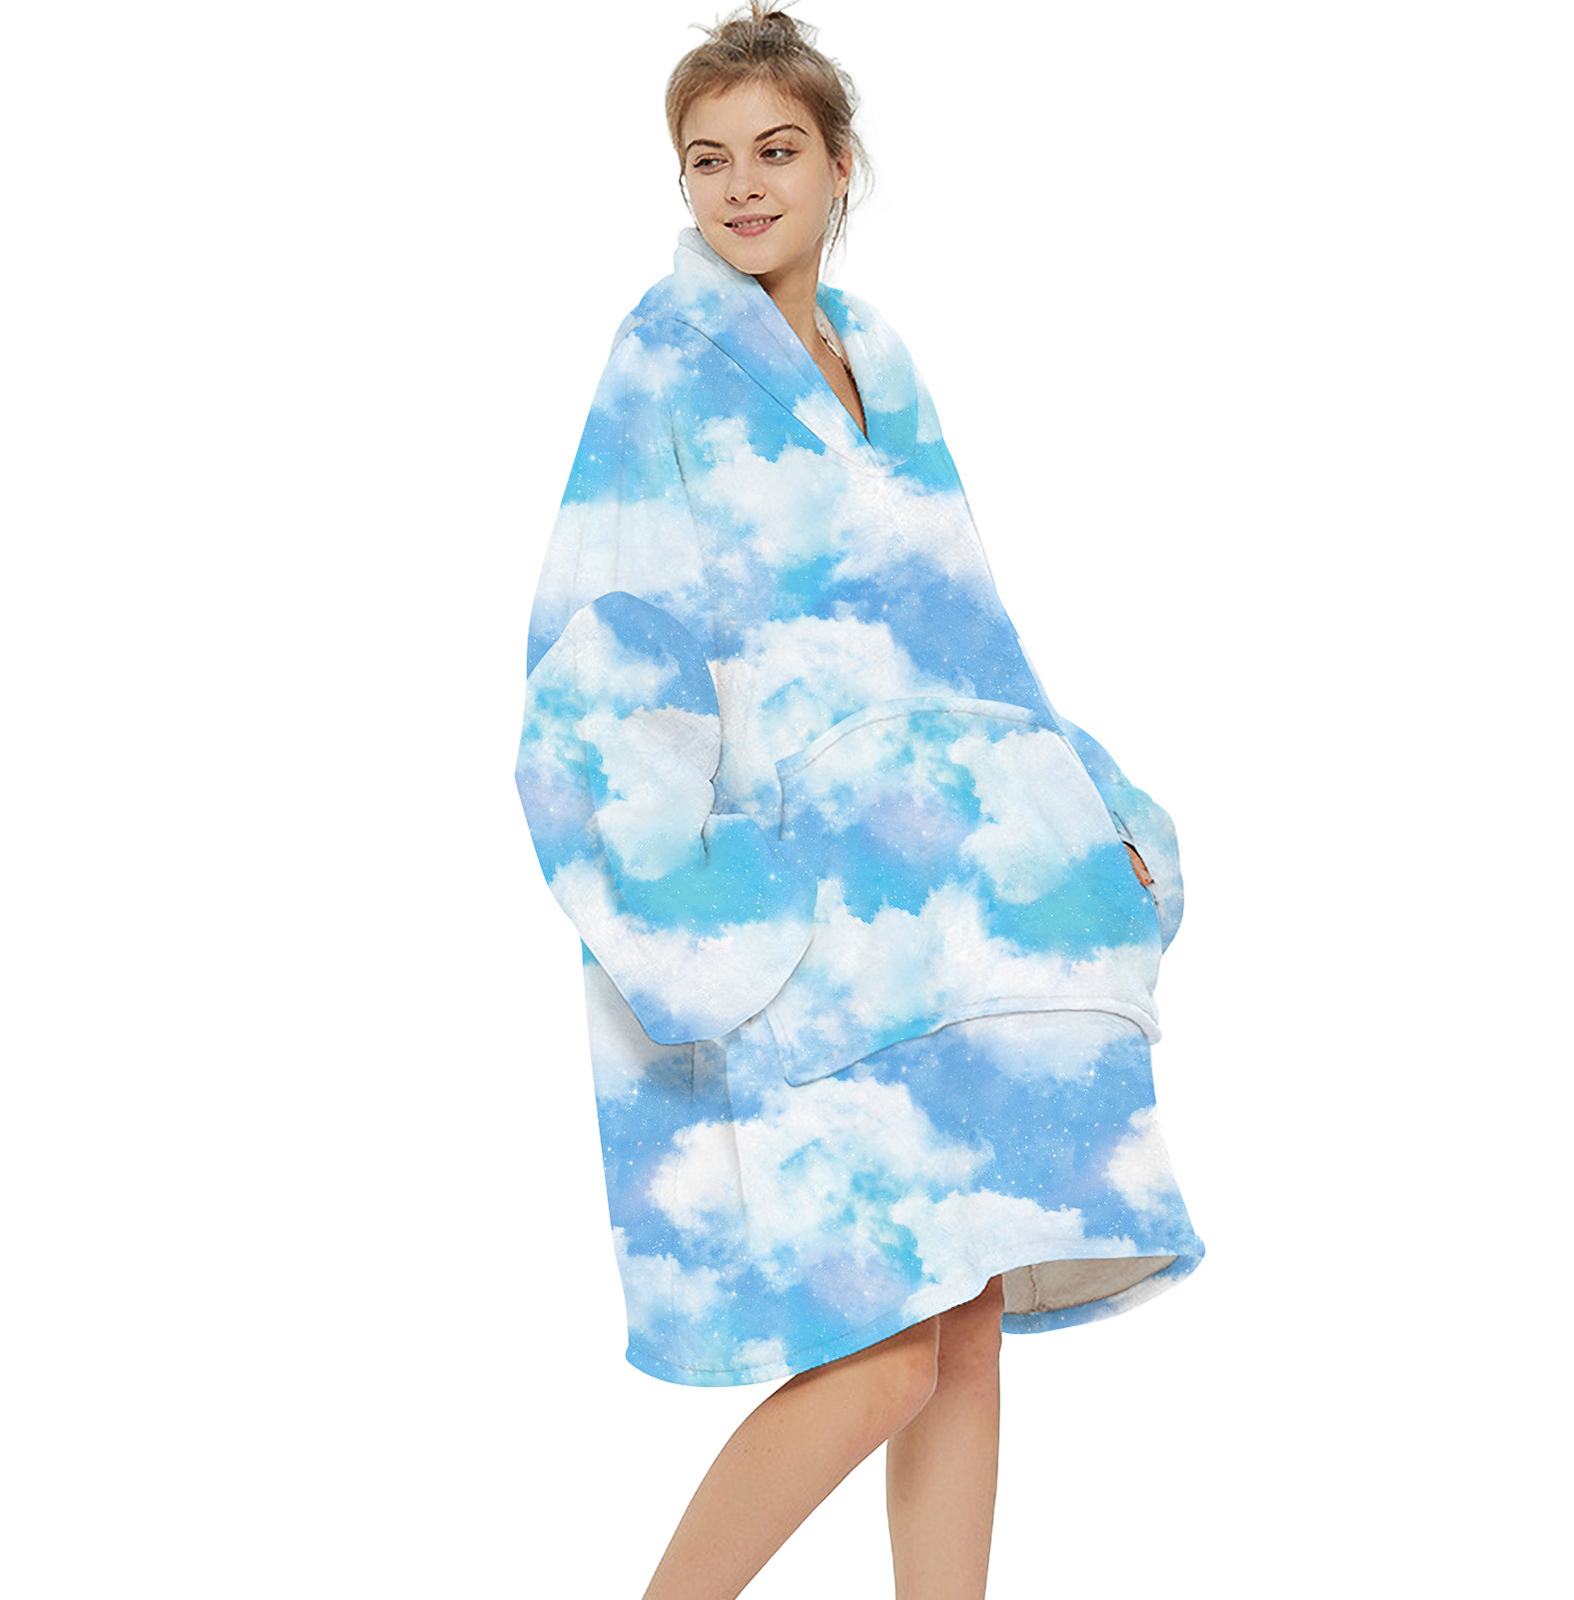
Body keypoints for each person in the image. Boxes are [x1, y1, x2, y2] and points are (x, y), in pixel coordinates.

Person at [513, 4, 1206, 1595]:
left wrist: (1086, 806)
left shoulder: (880, 356)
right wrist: (678, 887)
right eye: (707, 161)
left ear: (840, 165)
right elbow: (607, 628)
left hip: (954, 902)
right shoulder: (664, 356)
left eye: (775, 151)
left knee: (964, 1329)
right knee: (883, 1348)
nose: (742, 187)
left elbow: (960, 624)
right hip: (803, 912)